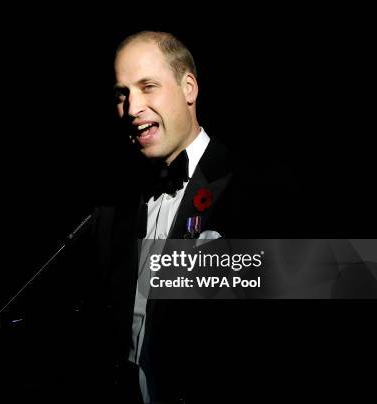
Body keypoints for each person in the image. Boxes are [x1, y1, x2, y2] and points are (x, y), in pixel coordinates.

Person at [87, 31, 301, 403]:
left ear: (188, 88)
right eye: (122, 94)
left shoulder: (259, 190)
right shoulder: (112, 207)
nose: (132, 106)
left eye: (147, 86)